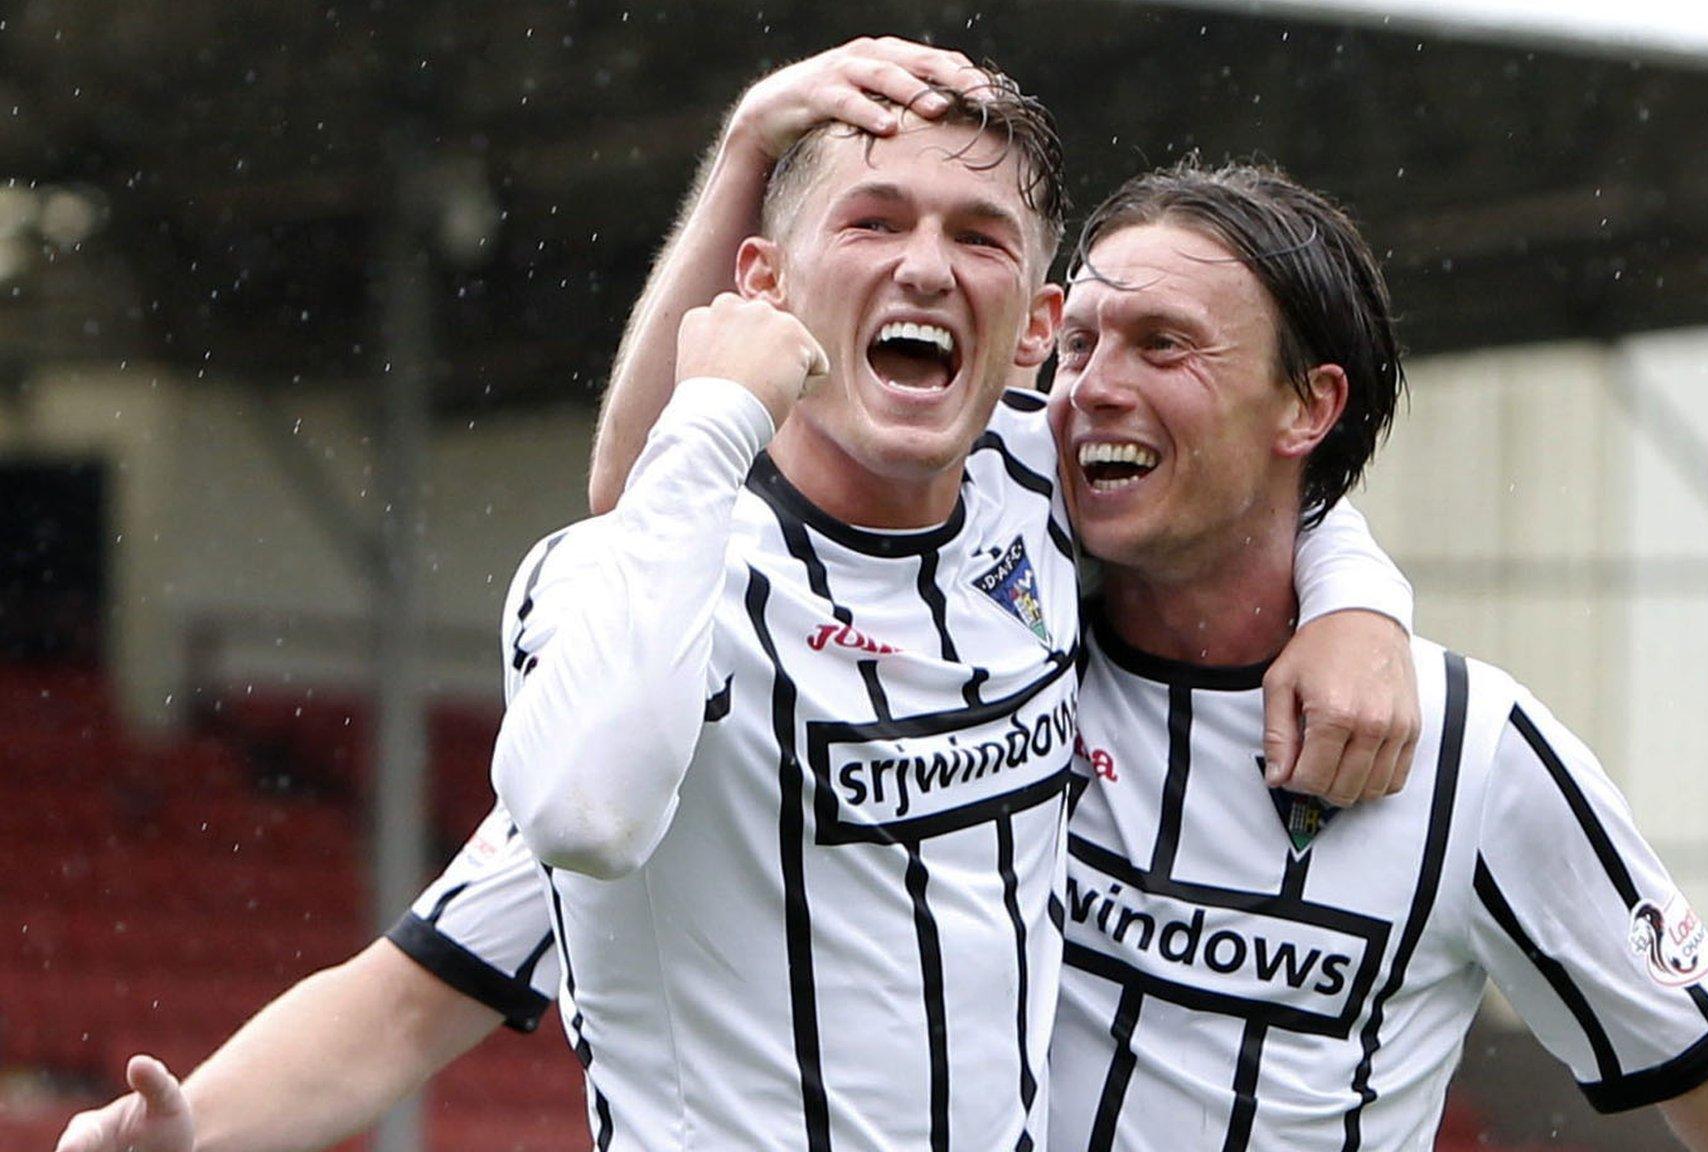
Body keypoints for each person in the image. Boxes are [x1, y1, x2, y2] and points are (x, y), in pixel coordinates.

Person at [56, 39, 1418, 1152]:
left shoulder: (1035, 489)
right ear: (762, 287)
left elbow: (1233, 466)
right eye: (873, 222)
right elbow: (523, 880)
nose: (928, 268)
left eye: (980, 237)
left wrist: (1359, 600)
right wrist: (716, 385)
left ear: (1039, 331)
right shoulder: (649, 603)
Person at [1040, 161, 1708, 1150]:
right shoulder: (987, 647)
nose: (1091, 387)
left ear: (1306, 408)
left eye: (1162, 345)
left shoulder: (1478, 757)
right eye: (1076, 343)